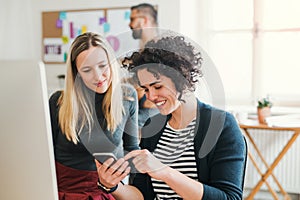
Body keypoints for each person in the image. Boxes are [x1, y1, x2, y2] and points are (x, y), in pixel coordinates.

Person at [123, 35, 247, 200]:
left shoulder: (221, 125)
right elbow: (141, 195)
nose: (151, 96)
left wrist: (164, 172)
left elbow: (229, 197)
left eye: (157, 86)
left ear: (182, 78)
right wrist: (112, 186)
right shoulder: (152, 126)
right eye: (145, 89)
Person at [49, 32, 143, 200]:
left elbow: (132, 150)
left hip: (106, 190)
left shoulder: (127, 96)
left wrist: (135, 189)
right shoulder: (58, 102)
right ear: (76, 73)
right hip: (63, 192)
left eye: (103, 66)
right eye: (87, 70)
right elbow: (44, 155)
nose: (98, 77)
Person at [128, 3, 159, 129]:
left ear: (144, 20)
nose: (130, 25)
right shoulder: (143, 48)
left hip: (153, 110)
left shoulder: (158, 48)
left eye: (132, 19)